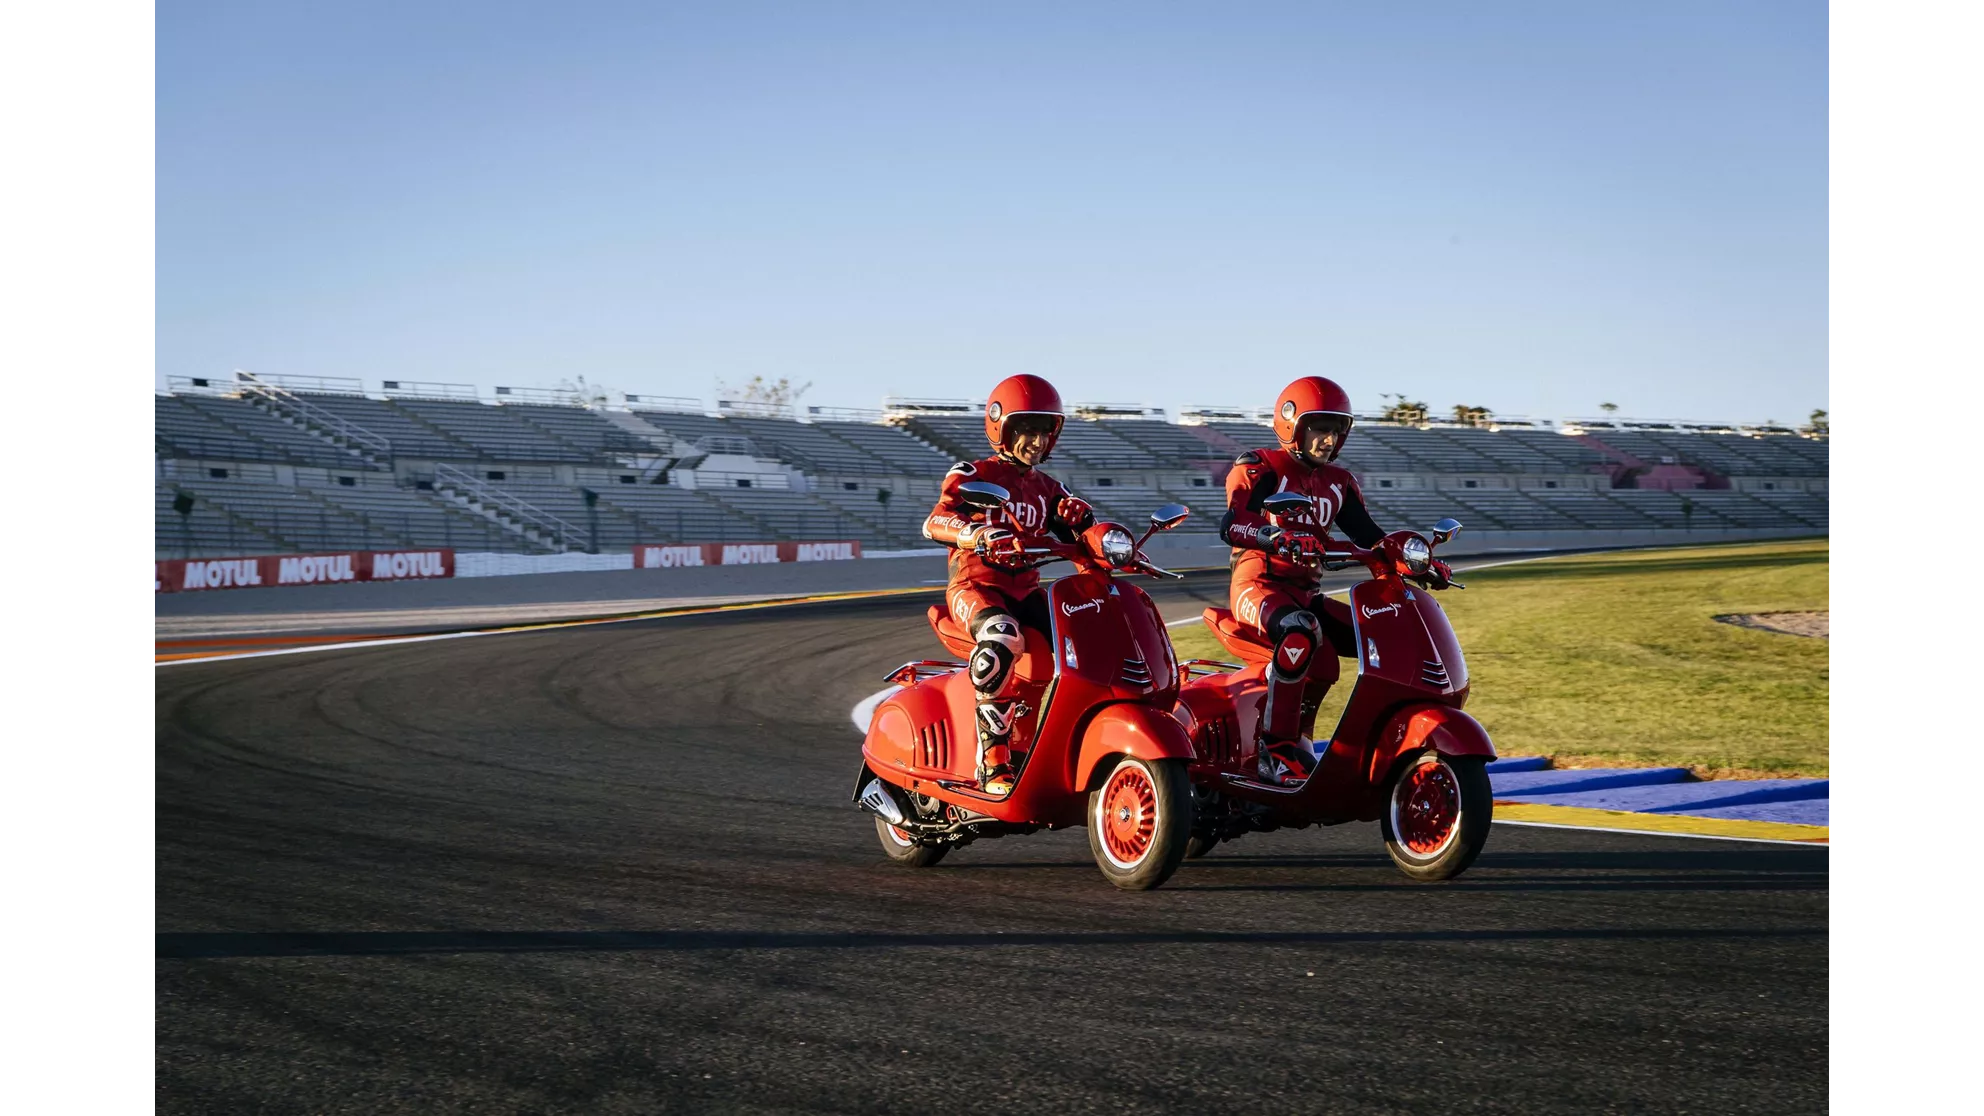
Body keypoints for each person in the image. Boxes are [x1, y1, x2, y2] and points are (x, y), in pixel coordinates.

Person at [1219, 376, 1454, 785]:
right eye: (1319, 429)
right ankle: (1274, 751)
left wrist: (1418, 560)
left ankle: (1361, 741)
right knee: (1301, 630)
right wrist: (1275, 536)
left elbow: (1371, 537)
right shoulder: (1260, 466)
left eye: (1335, 430)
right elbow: (1232, 523)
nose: (1329, 440)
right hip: (1258, 584)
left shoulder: (1339, 482)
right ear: (1292, 425)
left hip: (1306, 593)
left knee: (1385, 632)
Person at [922, 375, 1096, 794]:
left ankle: (1063, 744)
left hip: (1026, 592)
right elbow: (934, 521)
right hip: (975, 587)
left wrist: (1094, 530)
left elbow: (1083, 536)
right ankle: (992, 762)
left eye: (1044, 431)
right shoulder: (973, 474)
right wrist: (975, 534)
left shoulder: (1050, 489)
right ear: (1002, 427)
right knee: (1002, 637)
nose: (1037, 441)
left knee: (1087, 640)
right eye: (1027, 430)